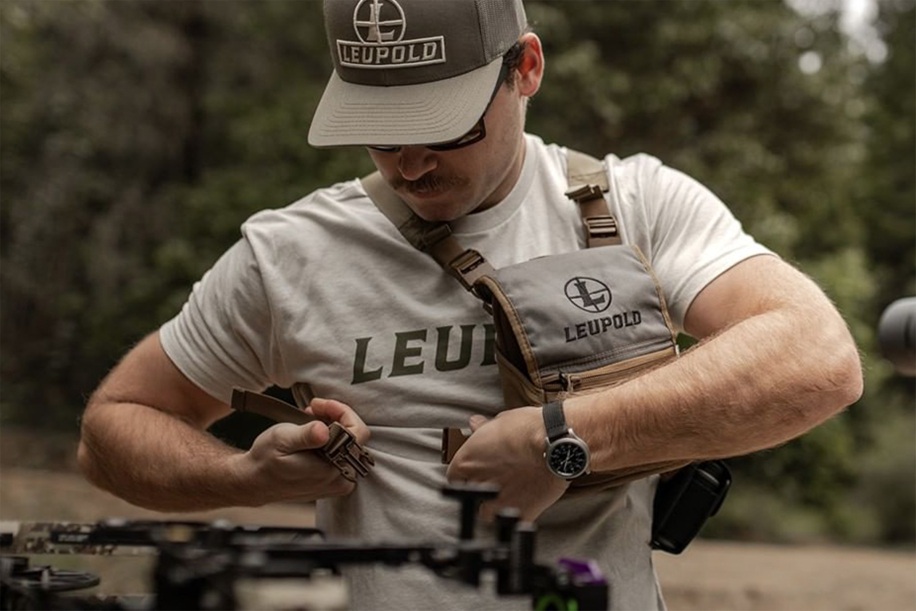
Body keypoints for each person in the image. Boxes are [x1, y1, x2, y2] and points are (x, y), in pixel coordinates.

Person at [77, 1, 864, 609]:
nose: (409, 162)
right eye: (380, 129)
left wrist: (564, 438)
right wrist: (245, 475)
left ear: (524, 68)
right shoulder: (288, 253)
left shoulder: (634, 205)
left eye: (439, 124)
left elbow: (816, 356)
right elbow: (113, 427)